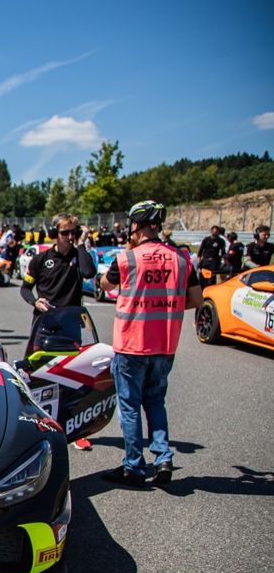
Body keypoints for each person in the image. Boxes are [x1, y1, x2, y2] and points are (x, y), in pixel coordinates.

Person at [99, 200, 202, 487]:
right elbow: (196, 299)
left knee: (130, 406)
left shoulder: (127, 259)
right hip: (165, 344)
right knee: (156, 402)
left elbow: (105, 285)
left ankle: (134, 466)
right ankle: (163, 459)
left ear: (136, 225)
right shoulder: (182, 259)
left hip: (132, 344)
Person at [20, 215, 96, 319]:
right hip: (45, 319)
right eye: (65, 233)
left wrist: (81, 243)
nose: (70, 237)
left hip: (71, 319)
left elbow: (88, 273)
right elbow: (25, 288)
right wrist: (35, 302)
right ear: (55, 234)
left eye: (73, 232)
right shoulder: (40, 259)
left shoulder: (80, 256)